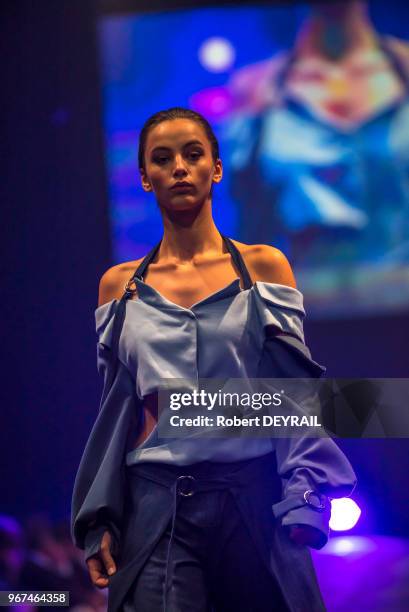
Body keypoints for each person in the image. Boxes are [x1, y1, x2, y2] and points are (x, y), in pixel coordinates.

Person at [71, 107, 357, 611]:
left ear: (215, 169)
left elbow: (295, 395)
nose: (179, 167)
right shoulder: (118, 287)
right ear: (144, 177)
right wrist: (102, 517)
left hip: (251, 497)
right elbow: (117, 414)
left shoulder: (265, 267)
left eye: (192, 154)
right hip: (156, 505)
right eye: (162, 158)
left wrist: (305, 491)